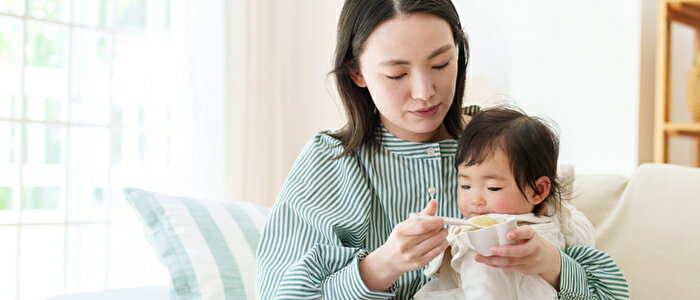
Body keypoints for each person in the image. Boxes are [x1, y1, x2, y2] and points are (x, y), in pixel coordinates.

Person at [256, 0, 629, 299]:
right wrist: (383, 265)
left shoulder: (501, 142)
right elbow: (279, 292)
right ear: (357, 74)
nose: (424, 92)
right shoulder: (331, 161)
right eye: (397, 74)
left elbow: (589, 267)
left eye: (440, 63)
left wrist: (550, 264)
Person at [414, 106, 608, 299]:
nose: (475, 200)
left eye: (493, 188)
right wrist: (439, 244)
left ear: (538, 190)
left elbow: (582, 239)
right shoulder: (467, 228)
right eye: (465, 186)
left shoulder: (544, 228)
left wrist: (555, 254)